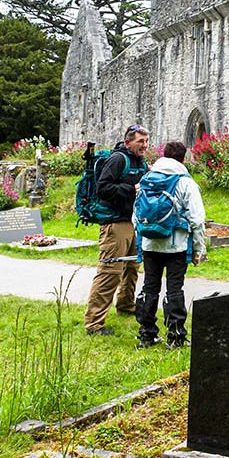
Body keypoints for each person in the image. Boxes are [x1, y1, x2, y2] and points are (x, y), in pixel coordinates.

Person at [134, 141, 206, 349]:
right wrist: (199, 249)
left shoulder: (146, 179)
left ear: (163, 156)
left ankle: (146, 335)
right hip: (176, 245)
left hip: (150, 244)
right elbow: (197, 220)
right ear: (183, 159)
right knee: (174, 289)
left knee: (149, 287)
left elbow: (136, 214)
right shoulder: (185, 183)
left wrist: (144, 239)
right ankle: (175, 336)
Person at [84, 124, 149, 336]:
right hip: (115, 224)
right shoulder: (118, 159)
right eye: (140, 141)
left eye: (146, 142)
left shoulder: (140, 161)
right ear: (128, 141)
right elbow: (103, 189)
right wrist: (132, 189)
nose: (144, 146)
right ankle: (94, 324)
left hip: (134, 222)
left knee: (132, 268)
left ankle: (126, 305)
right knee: (110, 271)